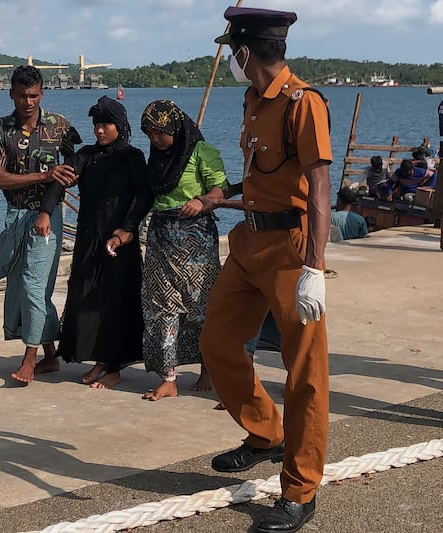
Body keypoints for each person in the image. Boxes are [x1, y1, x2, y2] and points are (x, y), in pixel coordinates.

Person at [201, 7, 332, 533]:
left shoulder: (304, 103)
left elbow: (320, 186)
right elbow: (261, 172)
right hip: (250, 240)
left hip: (290, 248)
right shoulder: (254, 100)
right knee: (216, 343)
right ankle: (265, 433)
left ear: (243, 52)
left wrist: (315, 268)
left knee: (305, 373)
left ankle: (300, 488)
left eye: (230, 50)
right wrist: (225, 192)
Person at [0, 65, 82, 384]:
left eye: (34, 95)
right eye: (22, 96)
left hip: (47, 216)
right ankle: (51, 356)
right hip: (14, 216)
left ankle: (29, 359)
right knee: (20, 285)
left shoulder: (60, 126)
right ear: (11, 94)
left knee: (33, 286)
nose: (28, 102)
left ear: (42, 93)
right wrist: (44, 175)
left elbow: (73, 168)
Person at [50, 96, 150, 389]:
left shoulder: (132, 158)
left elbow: (143, 195)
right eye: (96, 125)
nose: (100, 131)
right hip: (89, 238)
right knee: (87, 298)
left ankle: (114, 367)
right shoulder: (88, 155)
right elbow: (62, 179)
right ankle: (99, 361)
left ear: (119, 126)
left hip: (120, 239)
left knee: (117, 301)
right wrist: (45, 211)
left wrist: (127, 229)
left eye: (106, 125)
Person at [139, 99, 228, 401]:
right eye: (148, 134)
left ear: (174, 128)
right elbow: (147, 197)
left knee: (200, 305)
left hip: (196, 240)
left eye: (158, 133)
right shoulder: (156, 158)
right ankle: (169, 377)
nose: (154, 140)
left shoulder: (203, 153)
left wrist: (202, 201)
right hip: (160, 239)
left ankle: (208, 367)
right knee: (160, 306)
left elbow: (221, 190)